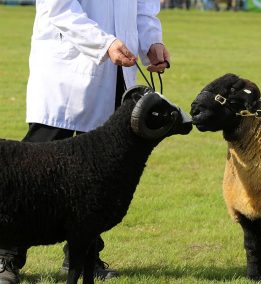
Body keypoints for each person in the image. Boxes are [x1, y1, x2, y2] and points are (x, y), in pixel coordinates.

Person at [0, 1, 170, 284]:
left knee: (99, 176)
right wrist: (103, 43)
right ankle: (6, 255)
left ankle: (84, 256)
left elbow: (143, 7)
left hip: (116, 70)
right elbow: (58, 7)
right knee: (33, 170)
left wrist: (151, 40)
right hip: (66, 68)